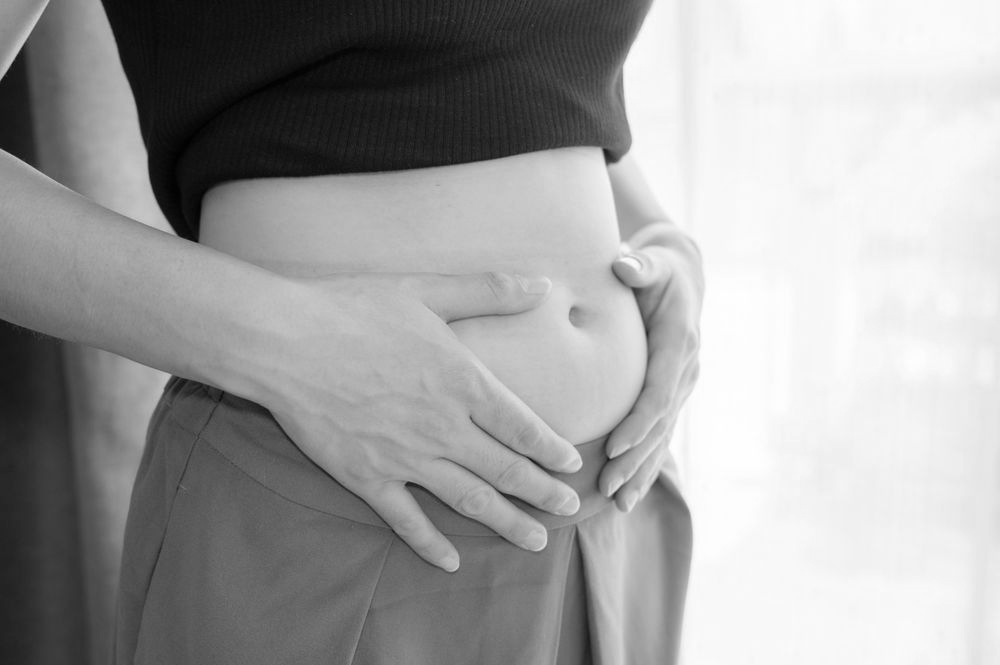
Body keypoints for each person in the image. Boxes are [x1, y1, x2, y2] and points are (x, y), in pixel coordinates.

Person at [0, 0, 704, 663]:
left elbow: (542, 81)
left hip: (608, 510)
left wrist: (665, 243)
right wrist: (294, 346)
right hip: (323, 501)